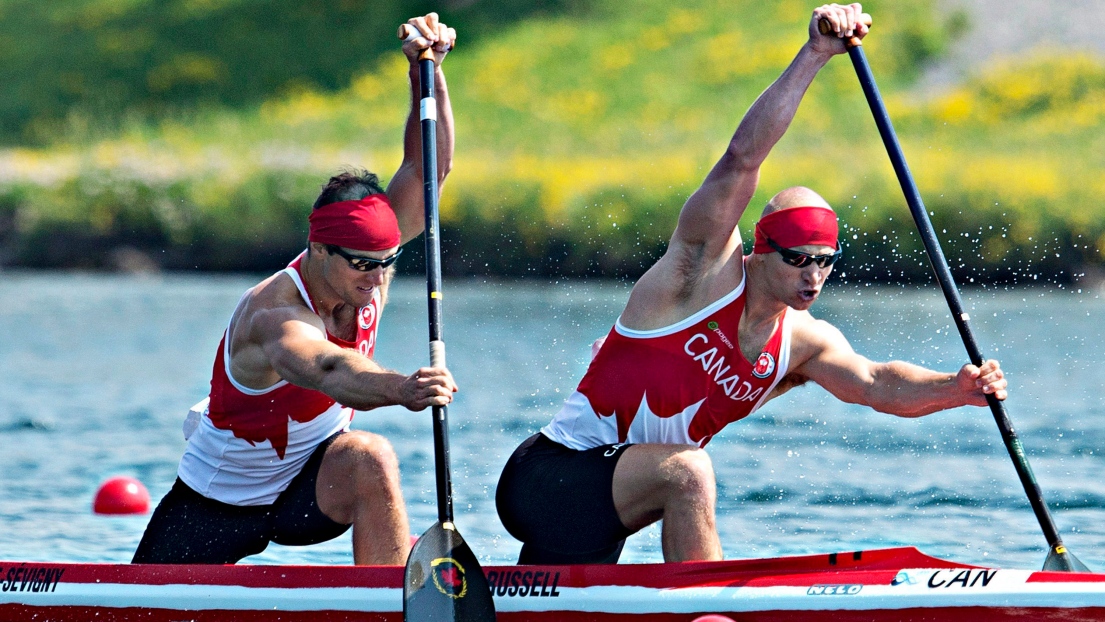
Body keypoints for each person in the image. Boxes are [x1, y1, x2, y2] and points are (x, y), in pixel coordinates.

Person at [495, 3, 1008, 565]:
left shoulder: (805, 341)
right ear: (761, 250)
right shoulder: (699, 274)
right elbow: (742, 159)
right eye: (797, 259)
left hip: (607, 504)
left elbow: (876, 383)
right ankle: (707, 607)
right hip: (544, 478)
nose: (813, 277)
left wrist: (957, 390)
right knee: (690, 470)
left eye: (825, 261)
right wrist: (814, 55)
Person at [132, 13, 457, 566]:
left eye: (388, 262)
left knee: (371, 457)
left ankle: (385, 601)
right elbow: (329, 370)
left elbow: (429, 171)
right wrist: (405, 388)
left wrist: (427, 72)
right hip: (217, 503)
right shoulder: (272, 313)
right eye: (363, 265)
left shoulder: (365, 263)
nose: (377, 278)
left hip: (311, 486)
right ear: (320, 252)